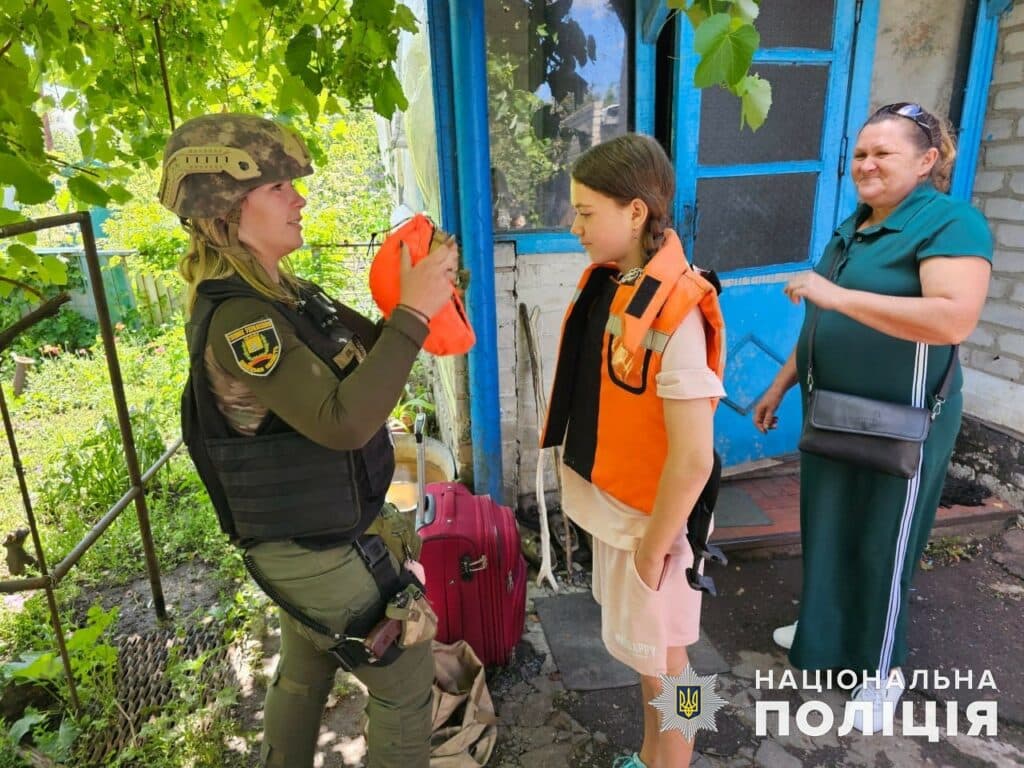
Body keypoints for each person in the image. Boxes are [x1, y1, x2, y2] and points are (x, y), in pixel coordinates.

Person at [158, 113, 459, 767]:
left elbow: (376, 359)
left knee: (306, 661)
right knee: (406, 680)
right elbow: (343, 421)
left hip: (318, 529)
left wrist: (415, 290)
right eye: (279, 188)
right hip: (310, 546)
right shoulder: (241, 319)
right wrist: (411, 311)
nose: (299, 198)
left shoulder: (284, 293)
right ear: (227, 208)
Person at [752, 103, 992, 733]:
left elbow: (952, 317)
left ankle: (881, 670)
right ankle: (824, 633)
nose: (866, 165)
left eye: (883, 153)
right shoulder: (855, 226)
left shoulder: (950, 224)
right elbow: (818, 320)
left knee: (885, 540)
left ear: (926, 160)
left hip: (903, 420)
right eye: (860, 154)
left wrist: (838, 295)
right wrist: (780, 384)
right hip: (831, 411)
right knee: (826, 524)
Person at [541, 134, 726, 768]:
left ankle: (675, 761)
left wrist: (653, 549)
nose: (575, 227)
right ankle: (655, 758)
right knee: (656, 665)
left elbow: (694, 457)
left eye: (586, 213)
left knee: (669, 668)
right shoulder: (622, 284)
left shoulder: (678, 309)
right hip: (628, 517)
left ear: (637, 212)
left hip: (655, 528)